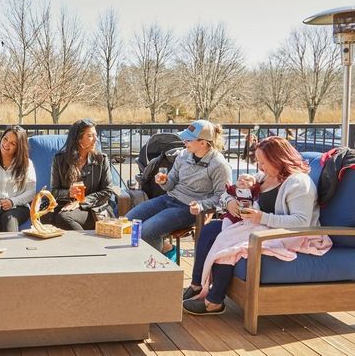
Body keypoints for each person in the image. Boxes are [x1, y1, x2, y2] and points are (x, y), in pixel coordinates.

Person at [182, 136, 319, 315]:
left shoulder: (299, 183)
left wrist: (262, 217)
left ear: (279, 158)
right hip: (257, 226)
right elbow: (228, 192)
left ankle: (214, 302)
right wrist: (230, 202)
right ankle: (197, 284)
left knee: (230, 246)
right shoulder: (263, 177)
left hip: (286, 234)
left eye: (264, 162)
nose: (259, 167)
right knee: (210, 230)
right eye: (258, 162)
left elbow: (302, 222)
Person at [126, 120, 231, 252]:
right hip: (169, 199)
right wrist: (164, 182)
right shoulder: (183, 155)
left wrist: (201, 205)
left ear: (203, 143)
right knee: (128, 221)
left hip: (190, 209)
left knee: (146, 232)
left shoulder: (219, 165)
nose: (184, 142)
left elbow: (223, 197)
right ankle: (164, 250)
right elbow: (171, 182)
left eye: (188, 140)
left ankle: (165, 259)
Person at [49, 118, 113, 230]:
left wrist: (81, 201)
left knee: (63, 218)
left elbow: (107, 191)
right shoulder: (60, 160)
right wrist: (69, 193)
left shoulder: (101, 159)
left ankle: (84, 246)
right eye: (90, 136)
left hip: (93, 209)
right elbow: (54, 191)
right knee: (45, 217)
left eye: (95, 135)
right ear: (78, 139)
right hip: (65, 205)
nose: (95, 139)